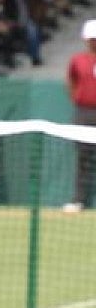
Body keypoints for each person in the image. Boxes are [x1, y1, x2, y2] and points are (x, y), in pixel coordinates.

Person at [64, 20, 96, 212]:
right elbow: (71, 80)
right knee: (83, 159)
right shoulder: (78, 60)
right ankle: (79, 200)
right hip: (84, 114)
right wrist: (77, 98)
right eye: (92, 39)